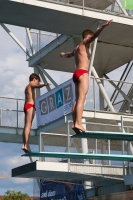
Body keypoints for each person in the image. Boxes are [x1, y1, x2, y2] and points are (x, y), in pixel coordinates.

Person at [60, 20, 113, 134]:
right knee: (82, 99)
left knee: (77, 100)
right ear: (87, 36)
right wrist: (103, 26)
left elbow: (68, 55)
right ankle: (78, 123)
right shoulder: (85, 42)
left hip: (76, 74)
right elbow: (94, 36)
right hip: (83, 73)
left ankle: (75, 123)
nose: (92, 41)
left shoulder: (77, 47)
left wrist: (63, 54)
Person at [22, 73, 51, 153]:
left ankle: (24, 144)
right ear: (34, 79)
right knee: (28, 126)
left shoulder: (26, 87)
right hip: (30, 106)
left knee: (26, 126)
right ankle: (26, 145)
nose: (37, 83)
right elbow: (36, 86)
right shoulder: (31, 85)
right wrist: (44, 84)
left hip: (26, 105)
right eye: (37, 81)